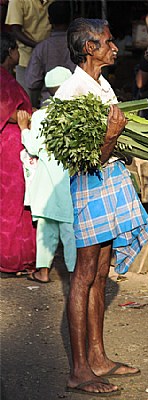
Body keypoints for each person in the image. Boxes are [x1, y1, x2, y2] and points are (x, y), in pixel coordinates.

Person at [54, 18, 148, 396]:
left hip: (110, 181)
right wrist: (111, 137)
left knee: (101, 270)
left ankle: (98, 357)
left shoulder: (102, 84)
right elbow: (84, 161)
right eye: (108, 43)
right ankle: (79, 370)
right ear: (89, 48)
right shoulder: (72, 93)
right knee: (83, 273)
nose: (115, 47)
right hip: (90, 186)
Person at [17, 66, 76, 284]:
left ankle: (43, 271)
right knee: (69, 229)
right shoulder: (75, 115)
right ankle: (74, 272)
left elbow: (32, 147)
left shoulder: (41, 116)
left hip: (46, 182)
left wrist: (24, 127)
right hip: (68, 181)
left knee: (46, 227)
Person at [0, 32, 36, 275]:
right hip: (11, 148)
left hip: (9, 145)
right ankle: (12, 259)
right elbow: (13, 113)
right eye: (15, 51)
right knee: (15, 203)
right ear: (10, 52)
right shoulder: (4, 81)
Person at [25, 0, 75, 107]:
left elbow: (32, 82)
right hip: (76, 105)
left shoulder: (41, 48)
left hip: (48, 107)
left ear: (49, 20)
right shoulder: (79, 46)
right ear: (71, 19)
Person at [5, 0, 53, 106]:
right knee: (27, 102)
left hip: (50, 58)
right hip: (26, 58)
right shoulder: (17, 1)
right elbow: (15, 30)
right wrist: (39, 46)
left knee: (50, 102)